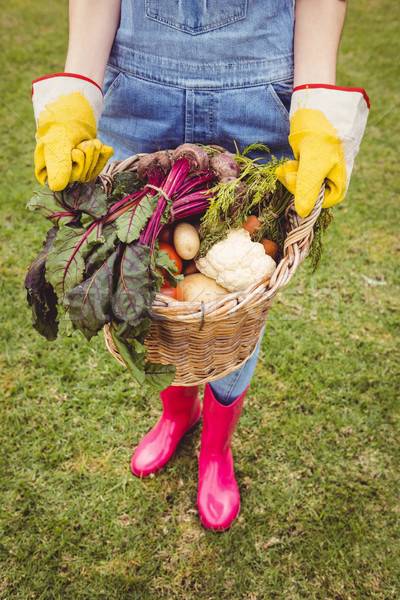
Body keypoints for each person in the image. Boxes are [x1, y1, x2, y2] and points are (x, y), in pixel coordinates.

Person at [32, 0, 369, 531]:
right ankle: (177, 412)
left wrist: (316, 101)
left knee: (238, 305)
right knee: (142, 285)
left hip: (259, 88)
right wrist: (76, 90)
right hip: (138, 83)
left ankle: (216, 446)